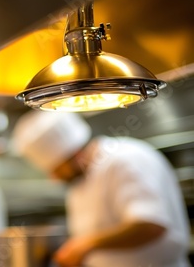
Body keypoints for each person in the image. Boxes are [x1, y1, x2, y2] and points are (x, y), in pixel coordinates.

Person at [11, 111, 191, 267]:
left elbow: (151, 225)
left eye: (56, 169)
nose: (54, 178)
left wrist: (85, 245)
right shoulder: (80, 178)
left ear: (75, 155)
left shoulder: (125, 159)